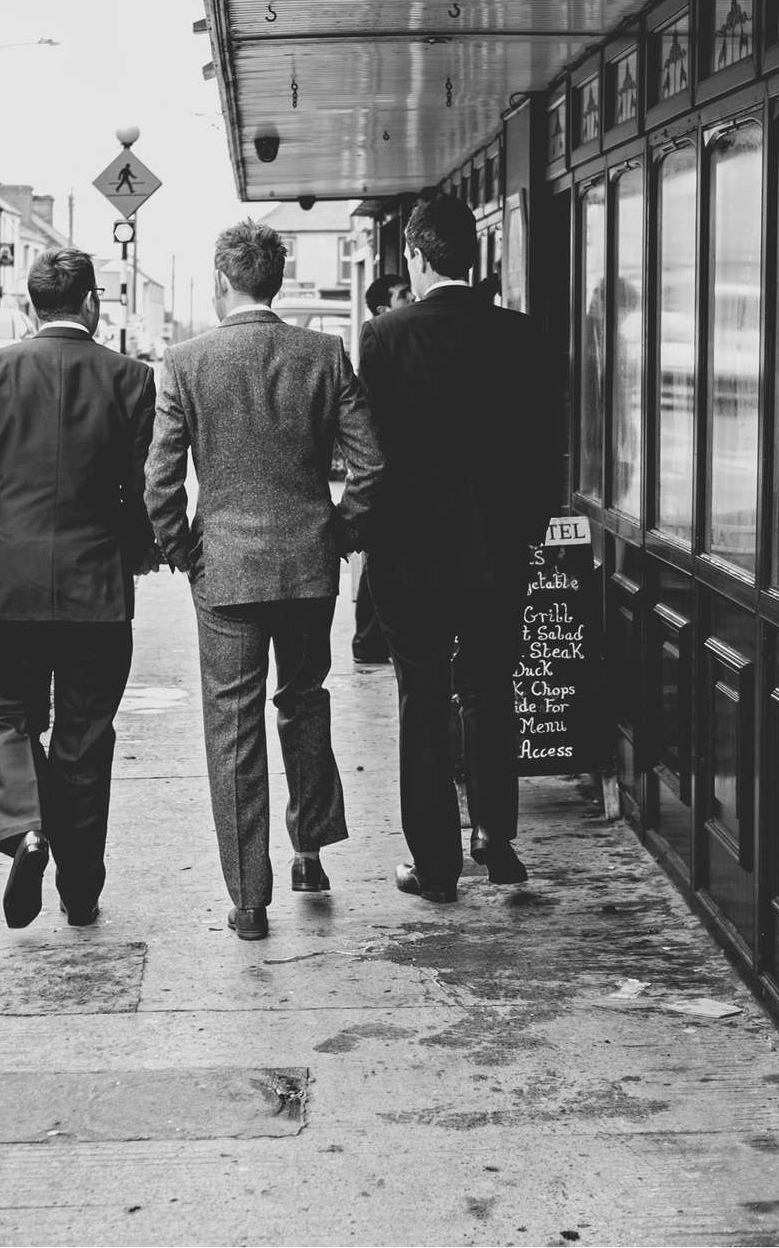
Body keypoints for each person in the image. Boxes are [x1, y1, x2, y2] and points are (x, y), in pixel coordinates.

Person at [147, 222, 383, 941]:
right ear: (277, 279)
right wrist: (337, 532)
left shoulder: (185, 362)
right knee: (304, 702)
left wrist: (185, 550)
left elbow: (160, 479)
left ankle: (250, 900)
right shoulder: (323, 353)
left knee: (233, 729)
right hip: (307, 567)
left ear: (223, 281)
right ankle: (308, 851)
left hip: (225, 572)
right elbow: (371, 466)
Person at [358, 195, 565, 902]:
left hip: (412, 556)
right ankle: (496, 835)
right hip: (499, 551)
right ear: (471, 256)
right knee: (489, 689)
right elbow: (547, 449)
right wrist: (529, 529)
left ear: (415, 257)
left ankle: (436, 866)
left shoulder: (384, 336)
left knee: (422, 699)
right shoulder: (526, 334)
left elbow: (375, 453)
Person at [0, 248, 157, 929]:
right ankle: (80, 891)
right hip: (97, 590)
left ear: (30, 304)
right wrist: (138, 554)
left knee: (2, 711)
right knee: (84, 740)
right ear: (93, 303)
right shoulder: (129, 378)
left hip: (11, 583)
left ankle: (24, 830)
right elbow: (143, 489)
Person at [351, 273, 411, 665]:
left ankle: (369, 641)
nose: (412, 298)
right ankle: (368, 641)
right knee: (381, 561)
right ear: (383, 310)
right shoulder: (382, 340)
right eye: (403, 295)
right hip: (392, 481)